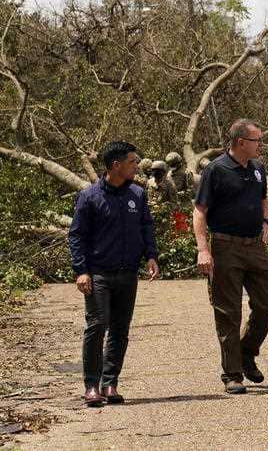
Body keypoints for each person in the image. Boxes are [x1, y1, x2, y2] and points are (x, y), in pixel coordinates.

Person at [68, 141, 160, 407]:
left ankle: (111, 384)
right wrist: (81, 271)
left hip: (127, 274)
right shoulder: (90, 196)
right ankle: (91, 386)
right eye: (132, 161)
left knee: (120, 329)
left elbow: (146, 227)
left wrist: (151, 256)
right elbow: (77, 236)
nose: (137, 165)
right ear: (116, 165)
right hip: (98, 274)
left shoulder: (137, 194)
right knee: (97, 326)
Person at [193, 119, 268, 394]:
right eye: (257, 141)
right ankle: (232, 374)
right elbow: (199, 211)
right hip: (225, 247)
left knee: (267, 304)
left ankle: (246, 352)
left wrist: (266, 222)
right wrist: (203, 249)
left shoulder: (258, 169)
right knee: (228, 311)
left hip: (255, 246)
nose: (261, 146)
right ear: (241, 142)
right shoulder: (215, 170)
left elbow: (263, 199)